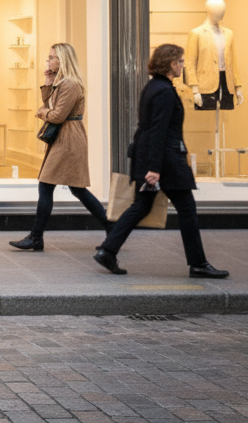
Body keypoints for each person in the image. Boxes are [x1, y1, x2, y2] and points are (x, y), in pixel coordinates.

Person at [93, 43, 228, 278]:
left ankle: (107, 250)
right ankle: (198, 263)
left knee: (141, 206)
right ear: (170, 64)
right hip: (166, 161)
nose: (183, 65)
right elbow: (159, 131)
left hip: (151, 156)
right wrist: (154, 169)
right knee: (186, 209)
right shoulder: (164, 91)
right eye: (180, 62)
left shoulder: (153, 87)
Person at [9, 43, 109, 251]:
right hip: (63, 138)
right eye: (49, 57)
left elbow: (56, 114)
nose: (48, 61)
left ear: (63, 60)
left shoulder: (70, 84)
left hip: (69, 139)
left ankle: (36, 237)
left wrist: (41, 112)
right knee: (77, 189)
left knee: (48, 185)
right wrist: (47, 83)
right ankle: (114, 229)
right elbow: (49, 105)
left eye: (52, 57)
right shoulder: (61, 83)